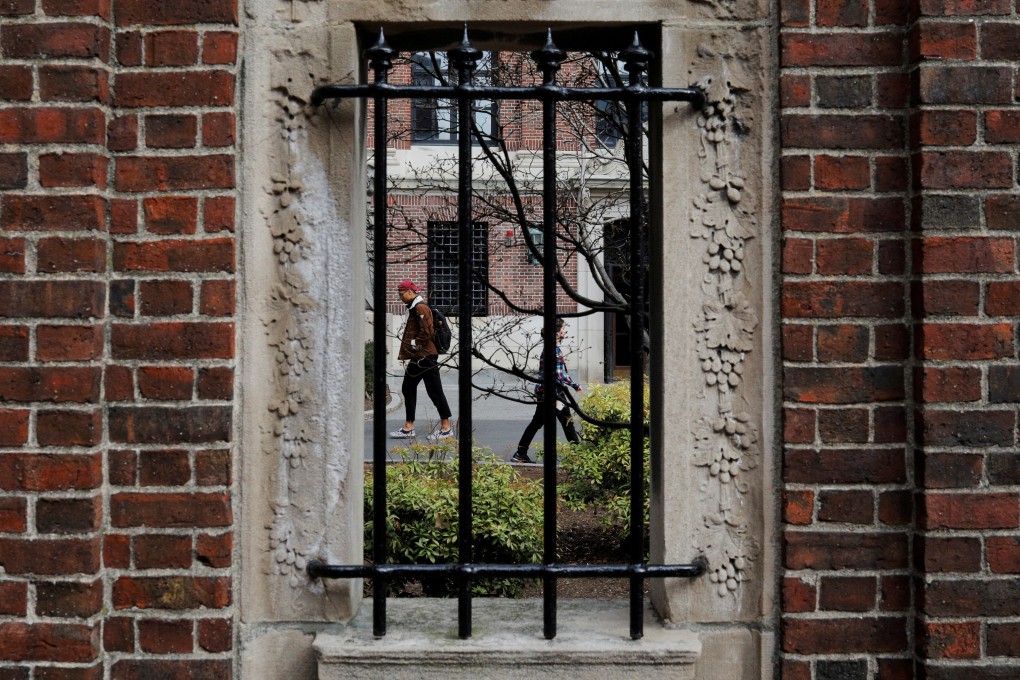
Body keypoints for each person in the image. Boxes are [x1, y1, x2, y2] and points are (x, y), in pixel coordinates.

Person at [390, 279, 454, 440]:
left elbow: (428, 332)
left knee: (434, 391)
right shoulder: (414, 308)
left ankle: (446, 427)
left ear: (410, 293)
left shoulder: (420, 307)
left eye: (401, 294)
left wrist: (413, 344)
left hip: (426, 356)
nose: (400, 297)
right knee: (408, 388)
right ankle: (409, 426)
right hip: (419, 356)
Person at [513, 318, 581, 463]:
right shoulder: (554, 350)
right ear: (556, 332)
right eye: (563, 328)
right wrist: (575, 385)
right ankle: (579, 457)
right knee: (567, 423)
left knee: (538, 422)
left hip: (547, 391)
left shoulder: (549, 347)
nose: (565, 330)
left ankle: (520, 452)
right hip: (554, 393)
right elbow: (559, 374)